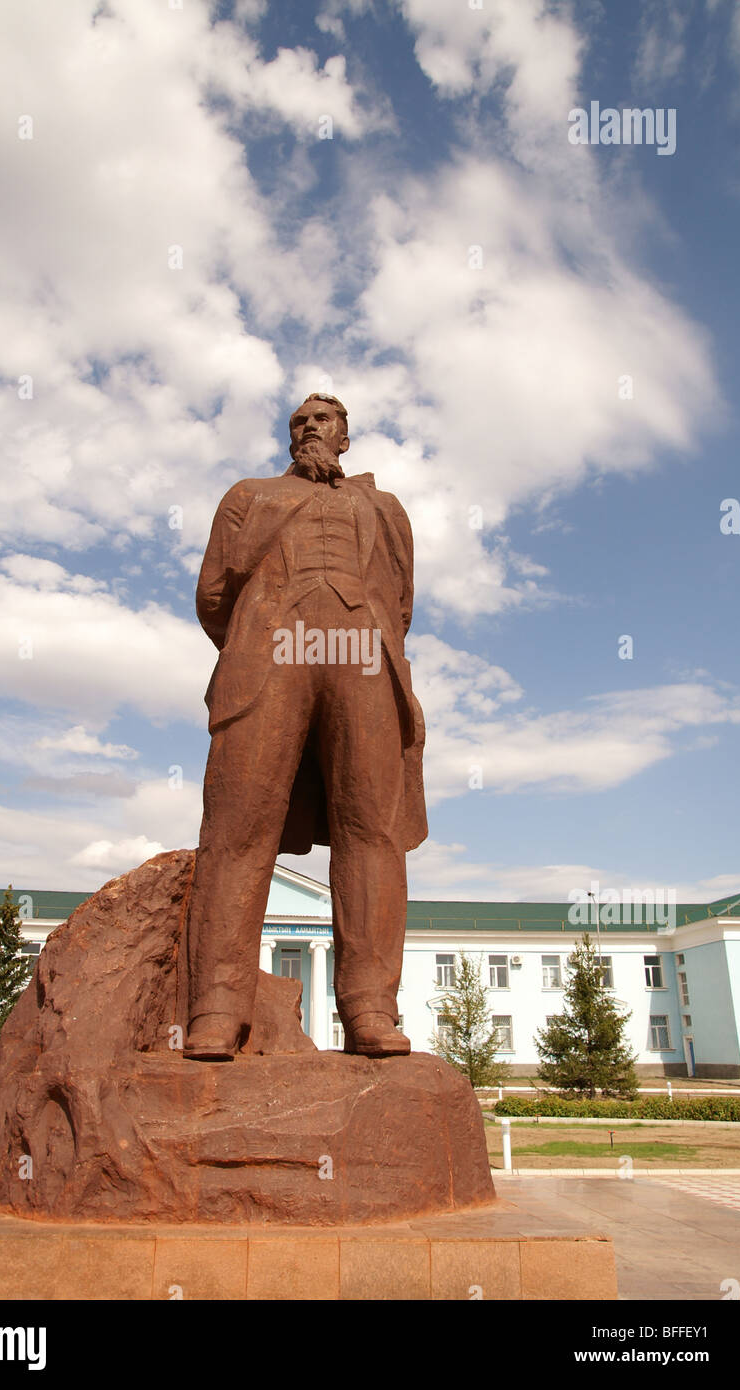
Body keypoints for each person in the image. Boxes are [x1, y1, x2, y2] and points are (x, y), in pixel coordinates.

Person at [183, 393, 427, 1060]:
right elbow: (213, 596)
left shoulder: (386, 508)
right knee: (238, 822)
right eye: (299, 421)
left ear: (346, 437)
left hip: (362, 656)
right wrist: (261, 636)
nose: (311, 427)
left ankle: (371, 1006)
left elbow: (399, 601)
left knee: (371, 826)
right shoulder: (248, 495)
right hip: (271, 651)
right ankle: (216, 1009)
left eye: (324, 420)